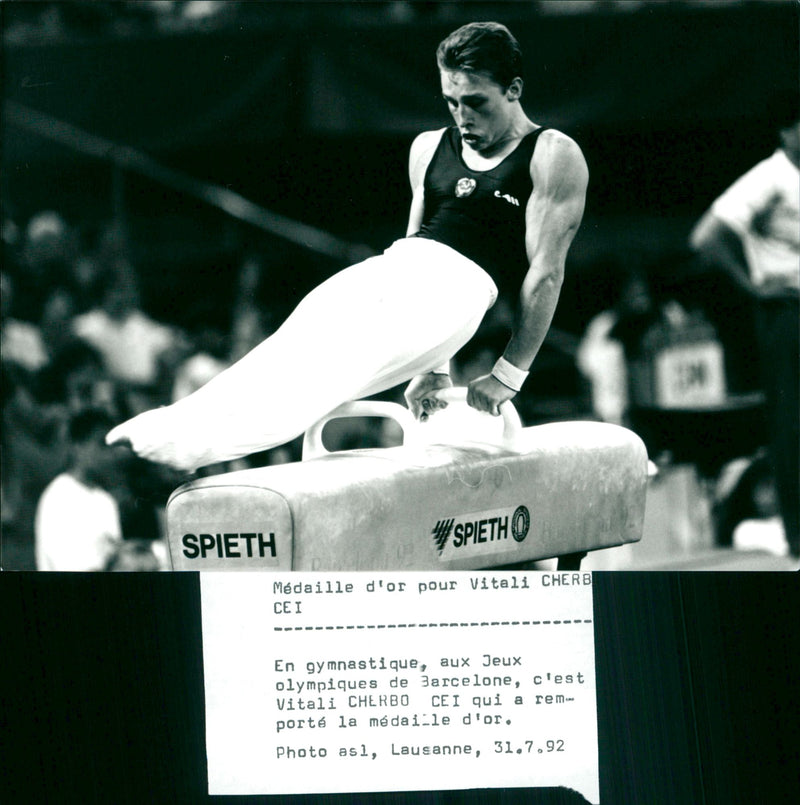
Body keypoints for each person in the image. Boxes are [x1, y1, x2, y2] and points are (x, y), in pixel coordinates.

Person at [106, 21, 589, 473]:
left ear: (514, 90)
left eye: (476, 103)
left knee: (328, 374)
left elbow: (545, 274)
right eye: (451, 102)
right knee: (292, 340)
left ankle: (194, 448)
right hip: (398, 266)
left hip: (460, 291)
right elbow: (411, 241)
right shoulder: (427, 147)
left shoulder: (551, 154)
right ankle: (173, 424)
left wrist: (509, 375)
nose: (462, 116)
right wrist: (434, 368)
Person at [690, 120, 799, 558]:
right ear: (786, 130)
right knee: (793, 424)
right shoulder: (770, 177)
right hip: (787, 312)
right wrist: (753, 287)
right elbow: (707, 237)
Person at [35, 408, 124, 571]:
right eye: (101, 445)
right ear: (78, 446)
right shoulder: (58, 497)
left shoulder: (106, 500)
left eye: (113, 447)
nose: (110, 455)